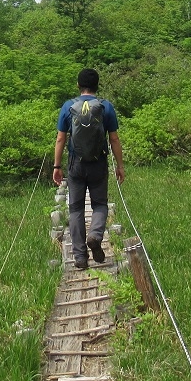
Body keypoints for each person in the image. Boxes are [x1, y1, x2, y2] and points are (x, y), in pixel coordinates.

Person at [53, 68, 125, 270]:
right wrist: (120, 166)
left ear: (78, 86)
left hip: (76, 164)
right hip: (98, 162)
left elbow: (60, 138)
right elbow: (114, 138)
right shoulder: (105, 106)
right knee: (100, 204)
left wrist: (57, 166)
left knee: (75, 208)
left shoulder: (68, 106)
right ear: (97, 86)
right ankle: (95, 235)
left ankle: (80, 257)